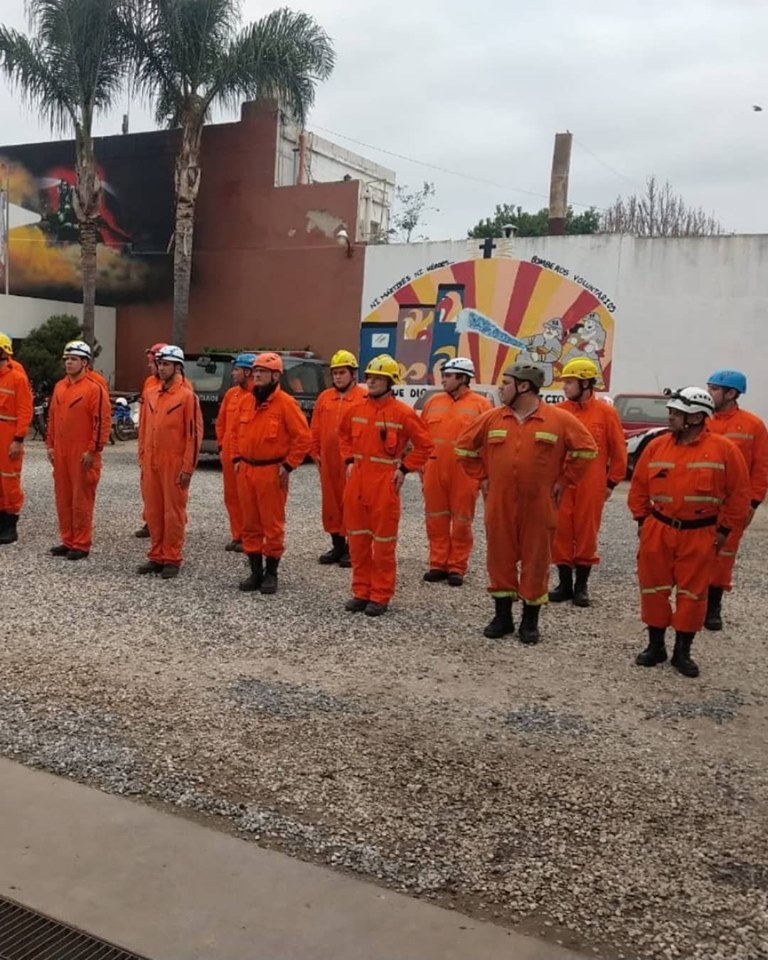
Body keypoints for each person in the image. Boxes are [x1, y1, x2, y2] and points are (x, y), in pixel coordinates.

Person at [455, 363, 597, 644]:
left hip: (539, 504)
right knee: (500, 558)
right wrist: (481, 476)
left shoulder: (558, 419)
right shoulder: (493, 418)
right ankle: (503, 617)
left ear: (524, 387)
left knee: (536, 560)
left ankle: (530, 622)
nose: (500, 388)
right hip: (500, 502)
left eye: (506, 382)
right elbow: (463, 447)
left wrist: (564, 480)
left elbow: (586, 449)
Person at [629, 387, 750, 677]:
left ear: (697, 416)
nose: (670, 417)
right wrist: (643, 522)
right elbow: (639, 488)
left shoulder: (724, 450)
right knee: (653, 588)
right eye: (671, 412)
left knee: (692, 594)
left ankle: (682, 652)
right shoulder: (657, 446)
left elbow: (738, 496)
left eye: (676, 413)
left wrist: (724, 531)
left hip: (700, 533)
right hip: (658, 529)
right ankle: (655, 645)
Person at [338, 354, 433, 616]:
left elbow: (425, 445)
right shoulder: (355, 408)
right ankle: (361, 591)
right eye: (369, 377)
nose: (371, 382)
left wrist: (404, 468)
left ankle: (380, 595)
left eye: (378, 378)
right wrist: (348, 459)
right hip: (357, 478)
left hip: (384, 481)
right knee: (357, 541)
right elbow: (343, 435)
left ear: (390, 381)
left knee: (382, 544)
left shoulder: (402, 412)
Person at [549, 358, 627, 606]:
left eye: (569, 382)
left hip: (591, 484)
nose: (565, 387)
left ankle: (581, 586)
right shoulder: (558, 411)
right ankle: (564, 584)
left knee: (586, 533)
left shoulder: (606, 413)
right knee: (560, 531)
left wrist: (611, 483)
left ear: (585, 382)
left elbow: (618, 451)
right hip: (562, 482)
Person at [232, 352, 312, 595]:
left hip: (271, 472)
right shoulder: (246, 401)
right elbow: (235, 432)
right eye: (255, 371)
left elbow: (304, 438)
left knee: (272, 525)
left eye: (262, 372)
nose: (256, 375)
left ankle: (271, 572)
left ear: (276, 376)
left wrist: (288, 465)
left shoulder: (286, 404)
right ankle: (255, 571)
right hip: (246, 470)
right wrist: (236, 457)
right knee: (250, 524)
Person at [704, 369, 768, 630]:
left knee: (723, 555)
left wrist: (753, 503)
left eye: (714, 389)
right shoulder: (701, 419)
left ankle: (713, 607)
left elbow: (761, 467)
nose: (709, 393)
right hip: (701, 500)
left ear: (731, 393)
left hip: (733, 505)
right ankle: (691, 605)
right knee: (694, 553)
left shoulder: (753, 426)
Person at [420, 357, 491, 586]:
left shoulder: (481, 405)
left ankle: (457, 567)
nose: (444, 379)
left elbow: (488, 442)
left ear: (462, 378)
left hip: (465, 471)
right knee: (435, 518)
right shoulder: (433, 402)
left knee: (462, 521)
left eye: (449, 376)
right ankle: (437, 563)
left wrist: (485, 475)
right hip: (434, 467)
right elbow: (422, 435)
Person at [137, 345, 203, 579]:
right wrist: (142, 457)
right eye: (160, 363)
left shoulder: (187, 397)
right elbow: (144, 428)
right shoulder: (151, 395)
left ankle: (172, 557)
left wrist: (188, 467)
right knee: (154, 511)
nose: (162, 368)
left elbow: (194, 436)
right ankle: (156, 555)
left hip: (174, 463)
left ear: (178, 367)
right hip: (152, 462)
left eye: (167, 364)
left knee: (173, 513)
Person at [46, 340, 111, 560]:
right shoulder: (59, 387)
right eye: (67, 359)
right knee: (63, 498)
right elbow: (52, 418)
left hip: (83, 452)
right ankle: (68, 540)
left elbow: (102, 422)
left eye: (73, 359)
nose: (69, 363)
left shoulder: (94, 389)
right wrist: (50, 445)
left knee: (81, 499)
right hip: (61, 451)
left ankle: (81, 544)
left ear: (85, 362)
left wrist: (93, 450)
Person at [311, 349, 367, 567]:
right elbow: (314, 428)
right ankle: (337, 545)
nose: (338, 377)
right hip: (328, 461)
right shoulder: (325, 397)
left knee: (352, 503)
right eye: (335, 373)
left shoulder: (364, 398)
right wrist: (314, 453)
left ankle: (353, 548)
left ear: (353, 374)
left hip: (352, 462)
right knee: (331, 504)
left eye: (342, 372)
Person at [215, 352, 256, 552]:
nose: (233, 373)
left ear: (248, 372)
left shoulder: (258, 396)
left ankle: (251, 538)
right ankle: (237, 535)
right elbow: (221, 422)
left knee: (247, 499)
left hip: (247, 458)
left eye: (237, 370)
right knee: (231, 497)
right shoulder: (231, 395)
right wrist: (222, 446)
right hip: (229, 457)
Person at [0, 332, 33, 545]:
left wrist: (18, 439)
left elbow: (24, 410)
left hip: (9, 435)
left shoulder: (17, 378)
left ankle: (10, 526)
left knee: (9, 479)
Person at [135, 342, 167, 538]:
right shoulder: (149, 383)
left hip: (167, 450)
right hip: (148, 445)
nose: (150, 366)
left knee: (167, 491)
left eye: (152, 362)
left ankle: (166, 524)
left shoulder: (182, 387)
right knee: (147, 486)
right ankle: (150, 521)